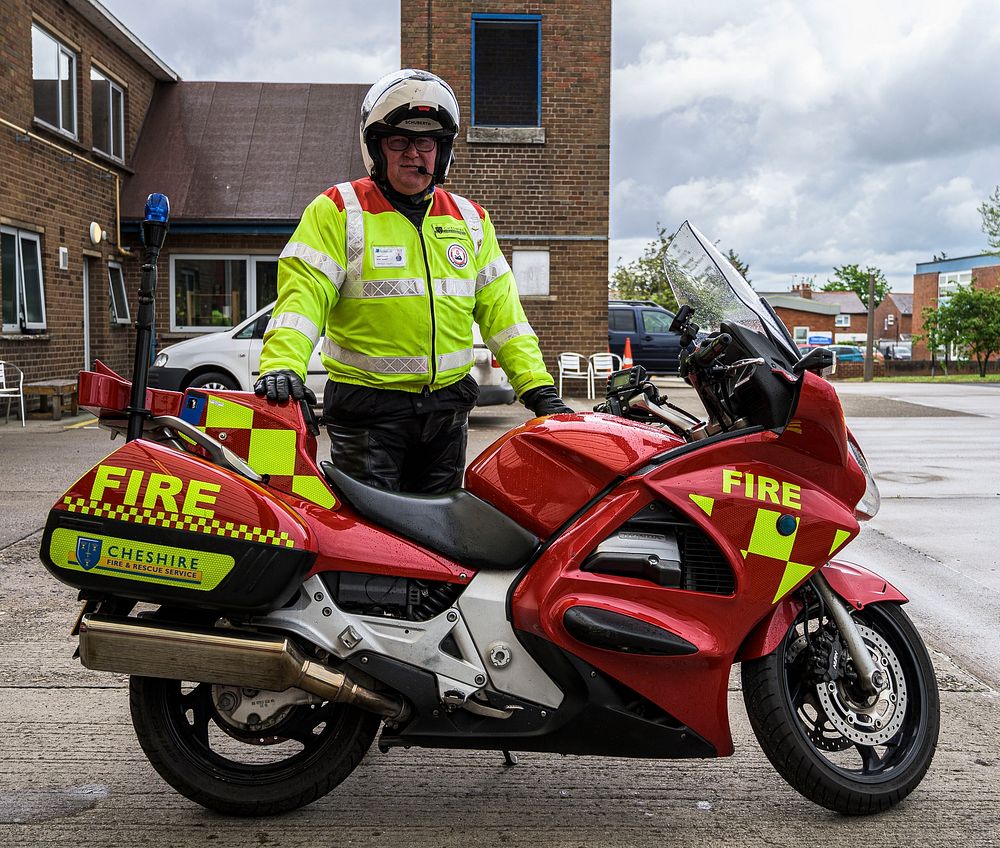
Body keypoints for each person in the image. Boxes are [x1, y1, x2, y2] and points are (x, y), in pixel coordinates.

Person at [255, 68, 572, 494]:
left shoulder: (470, 220)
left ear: (442, 152)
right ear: (376, 148)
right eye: (399, 141)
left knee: (439, 542)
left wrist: (538, 390)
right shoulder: (338, 210)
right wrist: (281, 365)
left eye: (426, 142)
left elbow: (504, 316)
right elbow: (302, 298)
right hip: (370, 415)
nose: (413, 154)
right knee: (375, 545)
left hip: (447, 413)